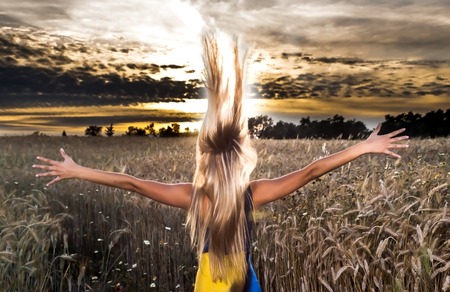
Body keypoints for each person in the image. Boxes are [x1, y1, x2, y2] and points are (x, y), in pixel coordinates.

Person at [33, 32, 409, 292]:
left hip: (211, 281)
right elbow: (311, 171)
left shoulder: (194, 197)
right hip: (246, 278)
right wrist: (361, 147)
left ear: (205, 159)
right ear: (241, 159)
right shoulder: (253, 195)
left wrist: (77, 170)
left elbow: (130, 182)